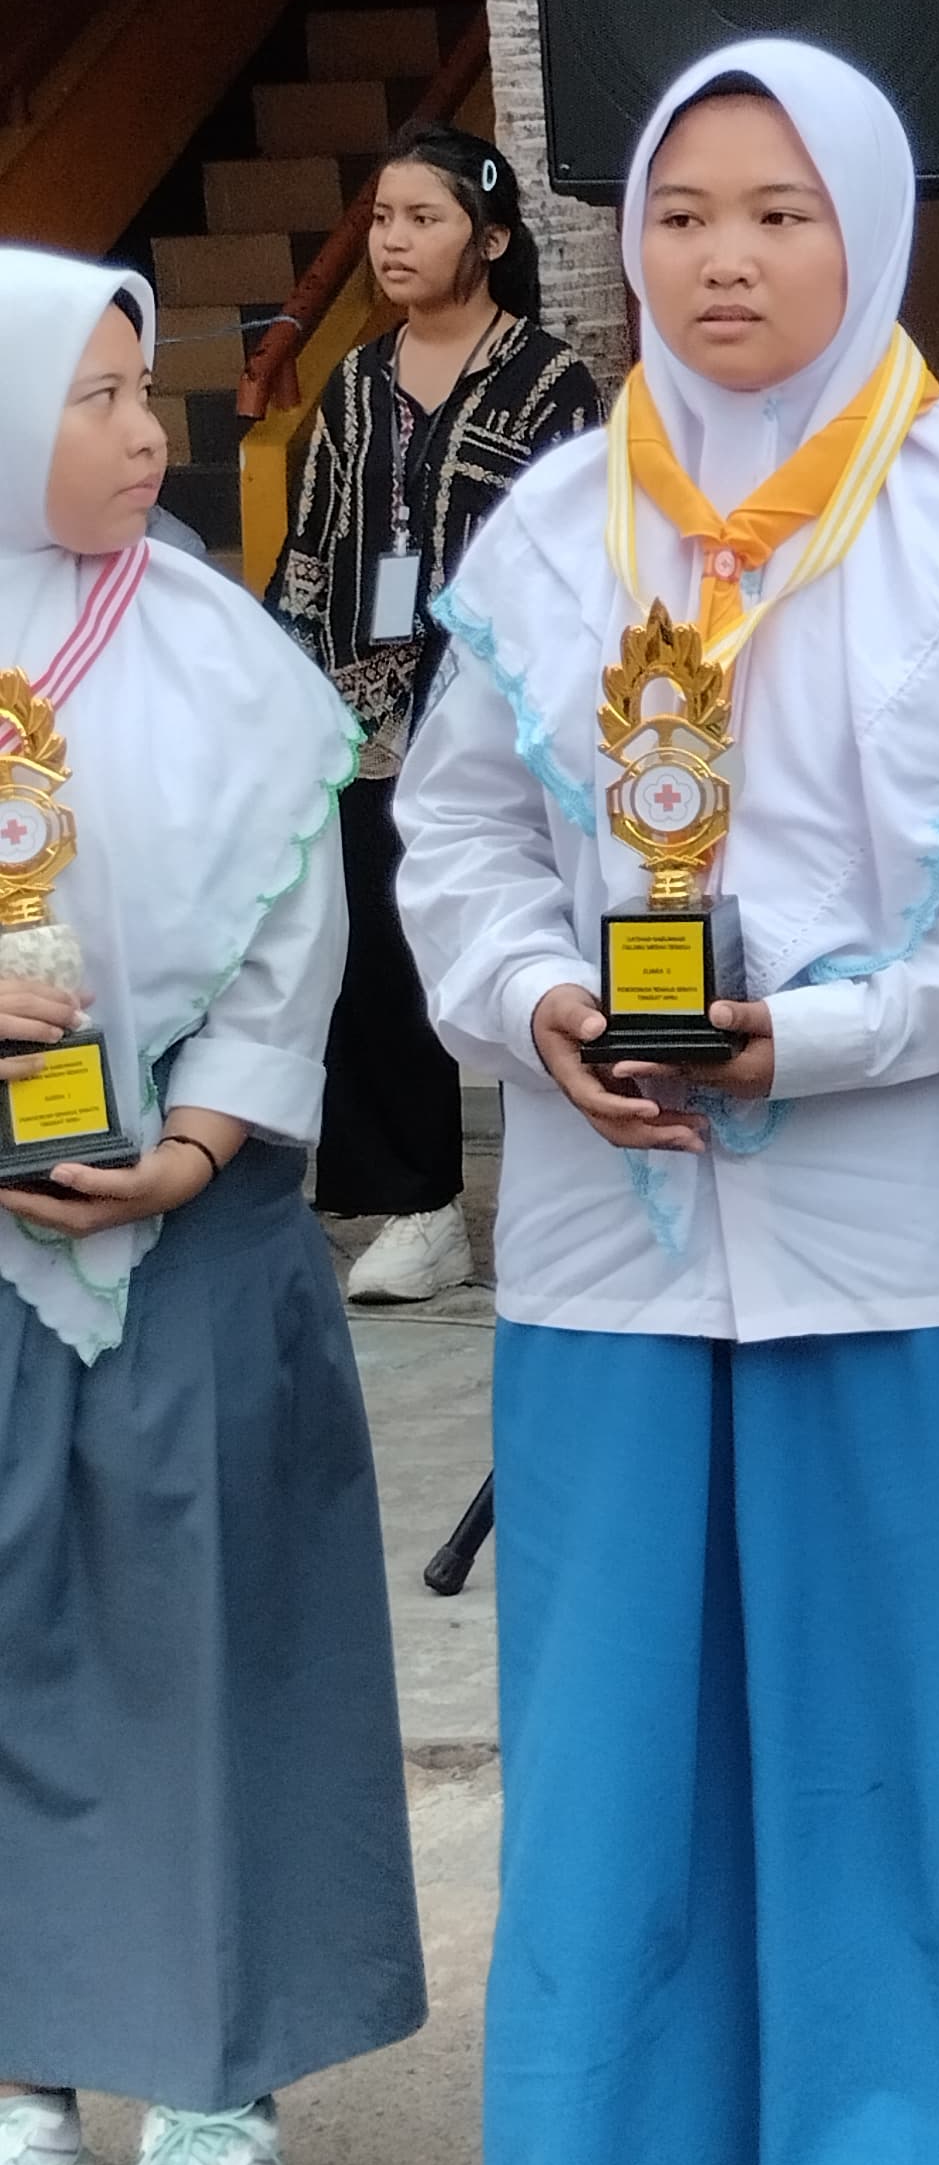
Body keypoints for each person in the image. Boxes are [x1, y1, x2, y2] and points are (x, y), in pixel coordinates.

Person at [391, 39, 939, 2165]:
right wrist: (530, 1005)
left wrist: (822, 1036)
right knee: (619, 1748)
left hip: (904, 1233)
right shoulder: (551, 527)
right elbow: (461, 840)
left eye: (778, 209)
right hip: (615, 1250)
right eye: (682, 208)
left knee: (913, 1746)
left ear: (870, 232)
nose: (721, 255)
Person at [0, 248, 424, 2165]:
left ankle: (214, 2108)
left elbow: (296, 936)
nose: (138, 430)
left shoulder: (220, 655)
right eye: (85, 395)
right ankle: (23, 2098)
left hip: (191, 1229)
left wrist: (200, 1135)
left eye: (140, 386)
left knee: (202, 1644)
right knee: (17, 1655)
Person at [266, 130, 600, 1301]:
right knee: (374, 960)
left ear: (490, 240)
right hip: (366, 720)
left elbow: (578, 560)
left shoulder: (553, 382)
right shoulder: (353, 382)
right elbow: (311, 554)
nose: (394, 241)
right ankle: (417, 1203)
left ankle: (580, 1180)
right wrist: (291, 690)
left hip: (498, 713)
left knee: (513, 948)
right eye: (384, 220)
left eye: (424, 219)